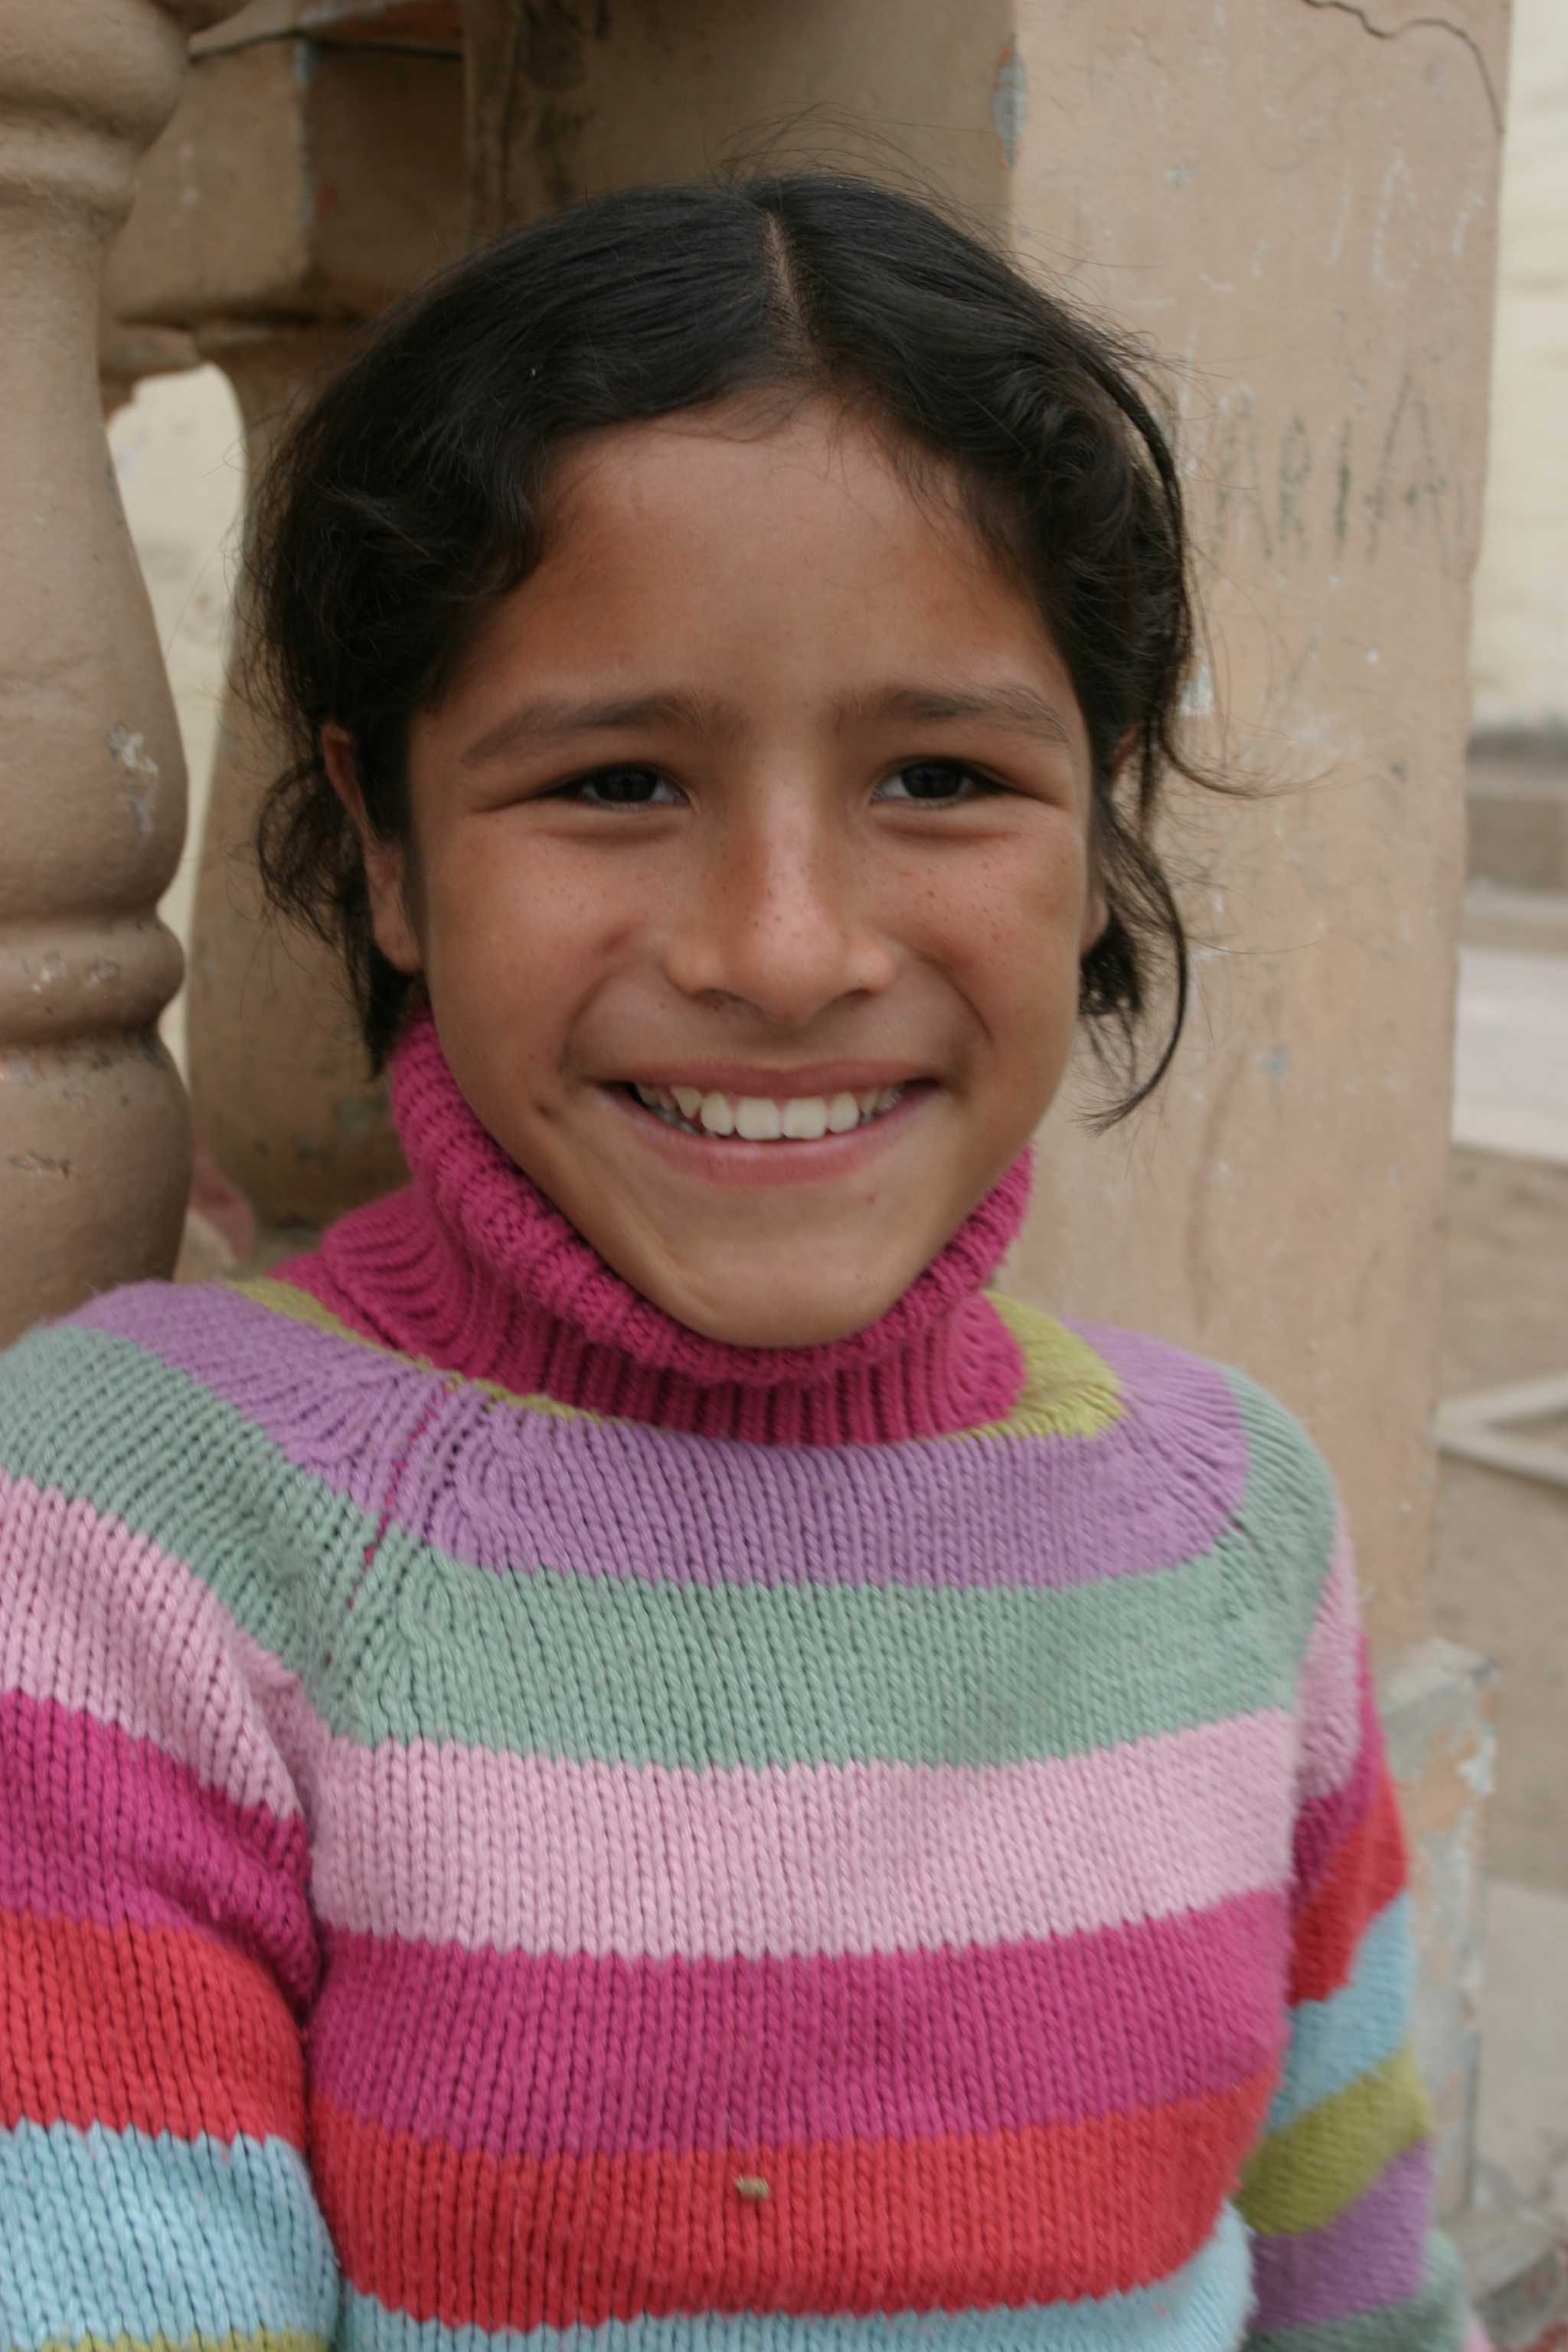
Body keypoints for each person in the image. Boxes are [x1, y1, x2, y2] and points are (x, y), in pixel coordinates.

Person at [0, 176, 1480, 2351]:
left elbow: (1363, 2298)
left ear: (1100, 832)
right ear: (388, 848)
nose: (784, 950)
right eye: (613, 779)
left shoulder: (1234, 1521)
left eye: (940, 776)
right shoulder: (131, 1535)